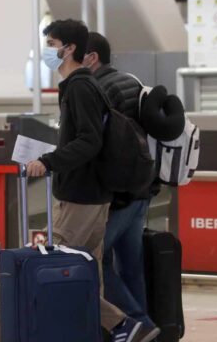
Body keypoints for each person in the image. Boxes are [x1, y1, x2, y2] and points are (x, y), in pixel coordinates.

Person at [26, 19, 153, 342]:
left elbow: (88, 141)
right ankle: (97, 331)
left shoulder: (80, 87)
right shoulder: (84, 85)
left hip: (81, 197)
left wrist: (48, 161)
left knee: (63, 270)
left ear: (70, 49)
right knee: (87, 272)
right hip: (94, 194)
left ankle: (123, 324)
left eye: (52, 44)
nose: (48, 51)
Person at [83, 32, 160, 340]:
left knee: (95, 260)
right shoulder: (130, 81)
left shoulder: (99, 89)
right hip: (143, 188)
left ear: (91, 58)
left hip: (119, 194)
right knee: (130, 265)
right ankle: (142, 332)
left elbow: (101, 144)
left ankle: (138, 325)